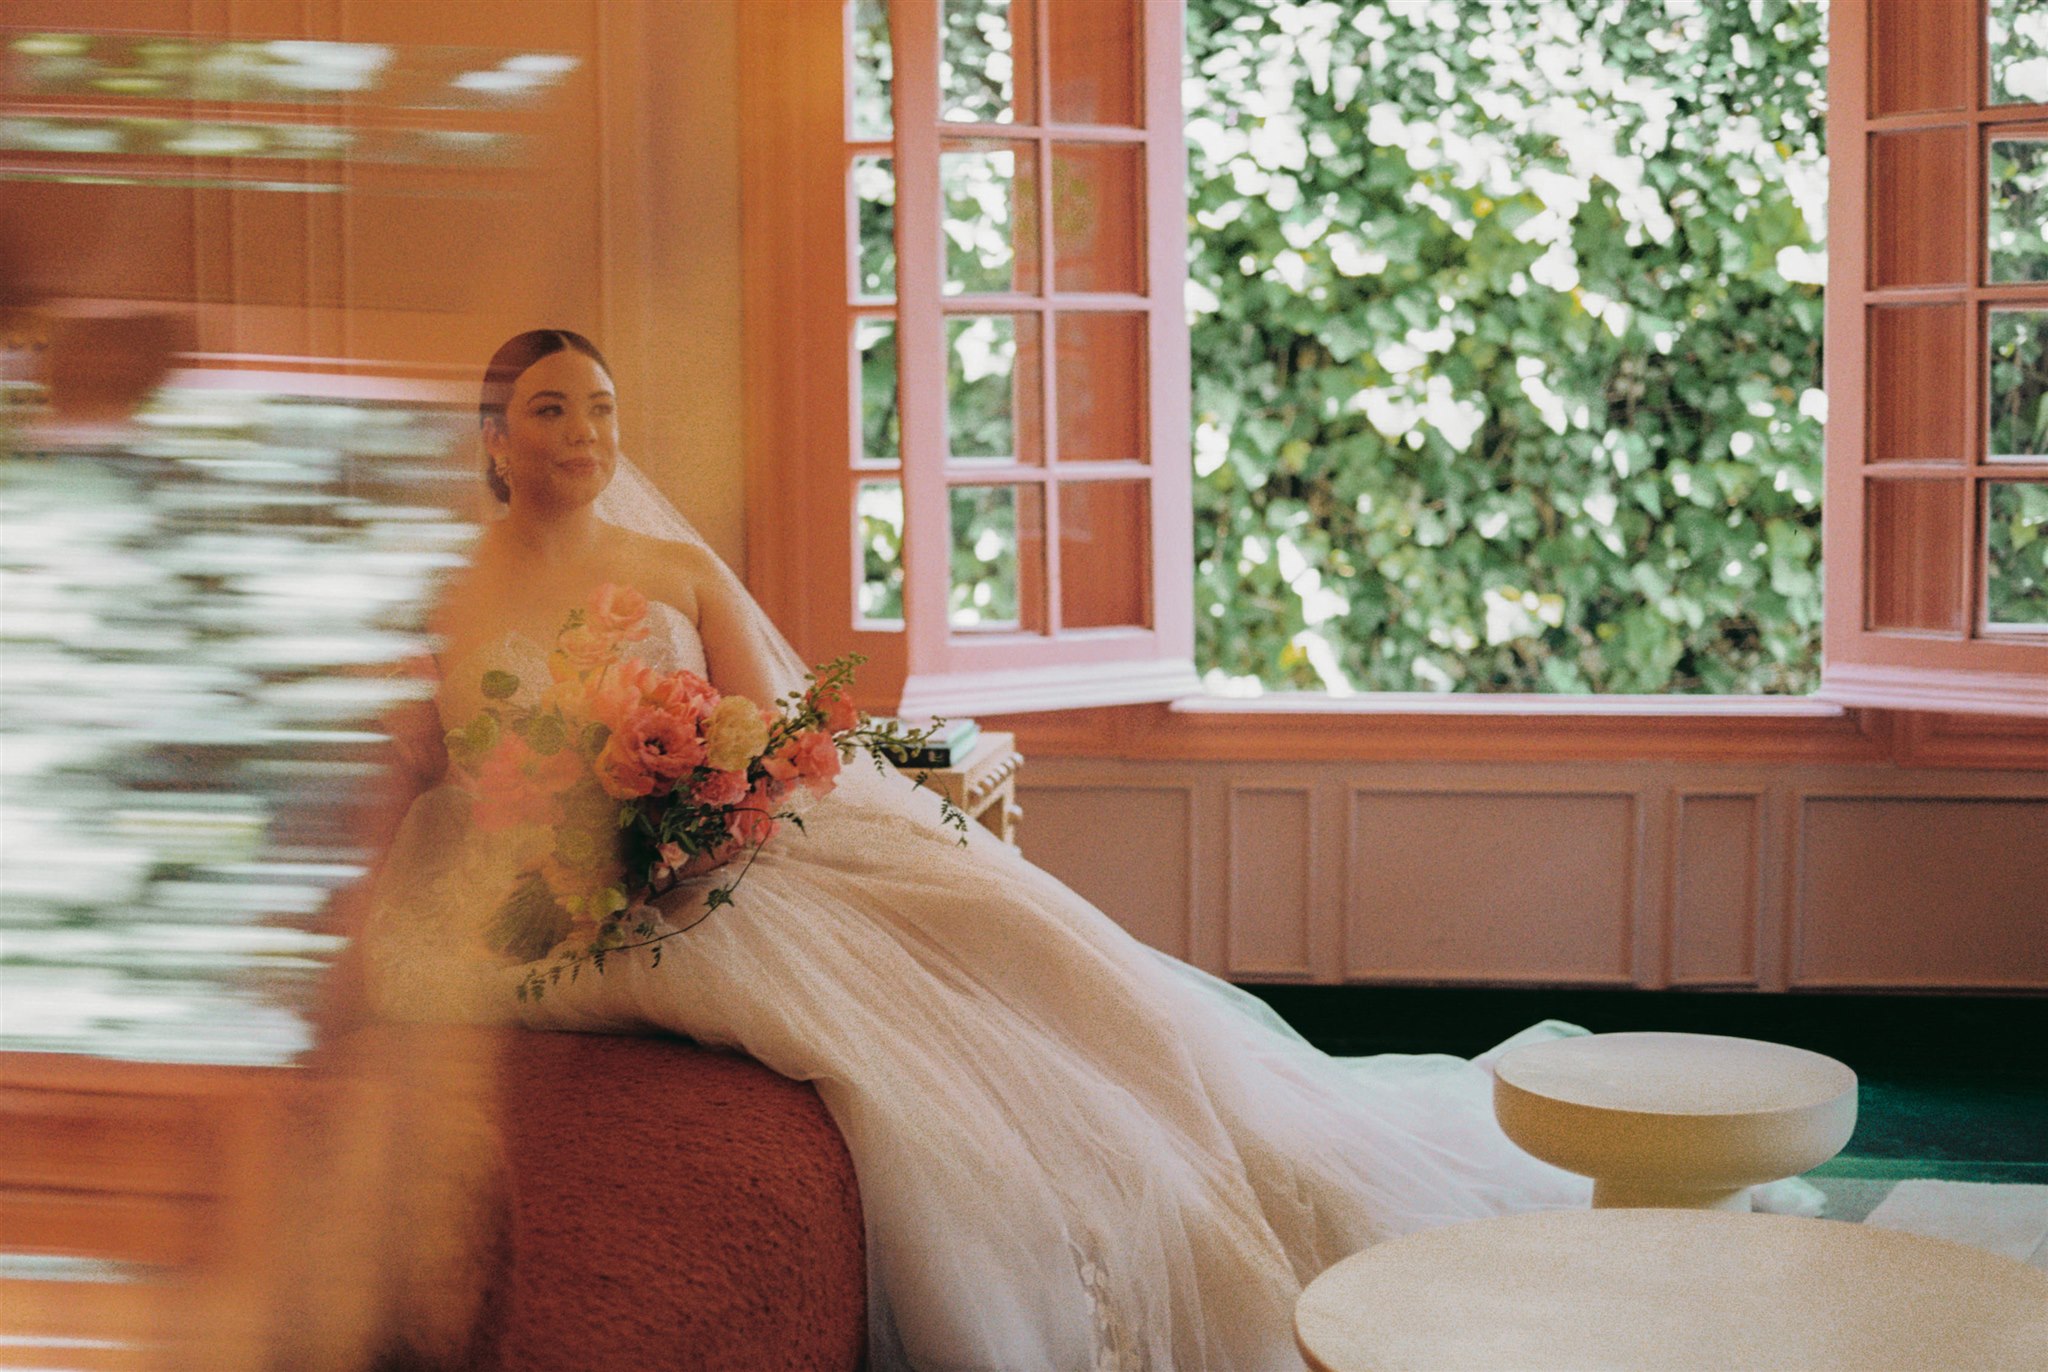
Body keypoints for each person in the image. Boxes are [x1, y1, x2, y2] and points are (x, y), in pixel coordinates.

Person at [361, 329, 1591, 1371]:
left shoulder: (676, 572)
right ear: (492, 438)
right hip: (525, 881)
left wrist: (696, 813)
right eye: (549, 410)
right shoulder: (441, 594)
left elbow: (783, 741)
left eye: (602, 408)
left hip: (719, 860)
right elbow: (428, 757)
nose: (584, 433)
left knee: (1031, 960)